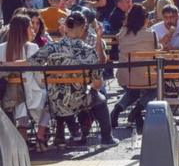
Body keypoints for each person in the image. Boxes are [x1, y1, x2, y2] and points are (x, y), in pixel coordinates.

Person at [7, 12, 119, 147]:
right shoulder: (89, 51)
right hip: (79, 99)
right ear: (84, 28)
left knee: (64, 100)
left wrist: (6, 64)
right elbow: (97, 83)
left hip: (55, 100)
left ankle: (73, 134)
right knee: (99, 99)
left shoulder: (51, 47)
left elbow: (28, 63)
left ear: (65, 27)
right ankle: (107, 138)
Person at [0, 15, 50, 151]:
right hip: (31, 95)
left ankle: (22, 143)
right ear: (24, 30)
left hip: (9, 97)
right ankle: (40, 136)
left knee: (22, 107)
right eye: (31, 28)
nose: (34, 31)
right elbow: (38, 75)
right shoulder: (32, 47)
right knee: (51, 97)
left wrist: (6, 65)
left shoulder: (1, 48)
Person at [110, 4, 157, 132]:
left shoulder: (122, 33)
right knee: (157, 87)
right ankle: (138, 109)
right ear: (145, 19)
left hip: (125, 75)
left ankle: (118, 109)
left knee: (133, 90)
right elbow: (157, 51)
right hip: (146, 77)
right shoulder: (151, 34)